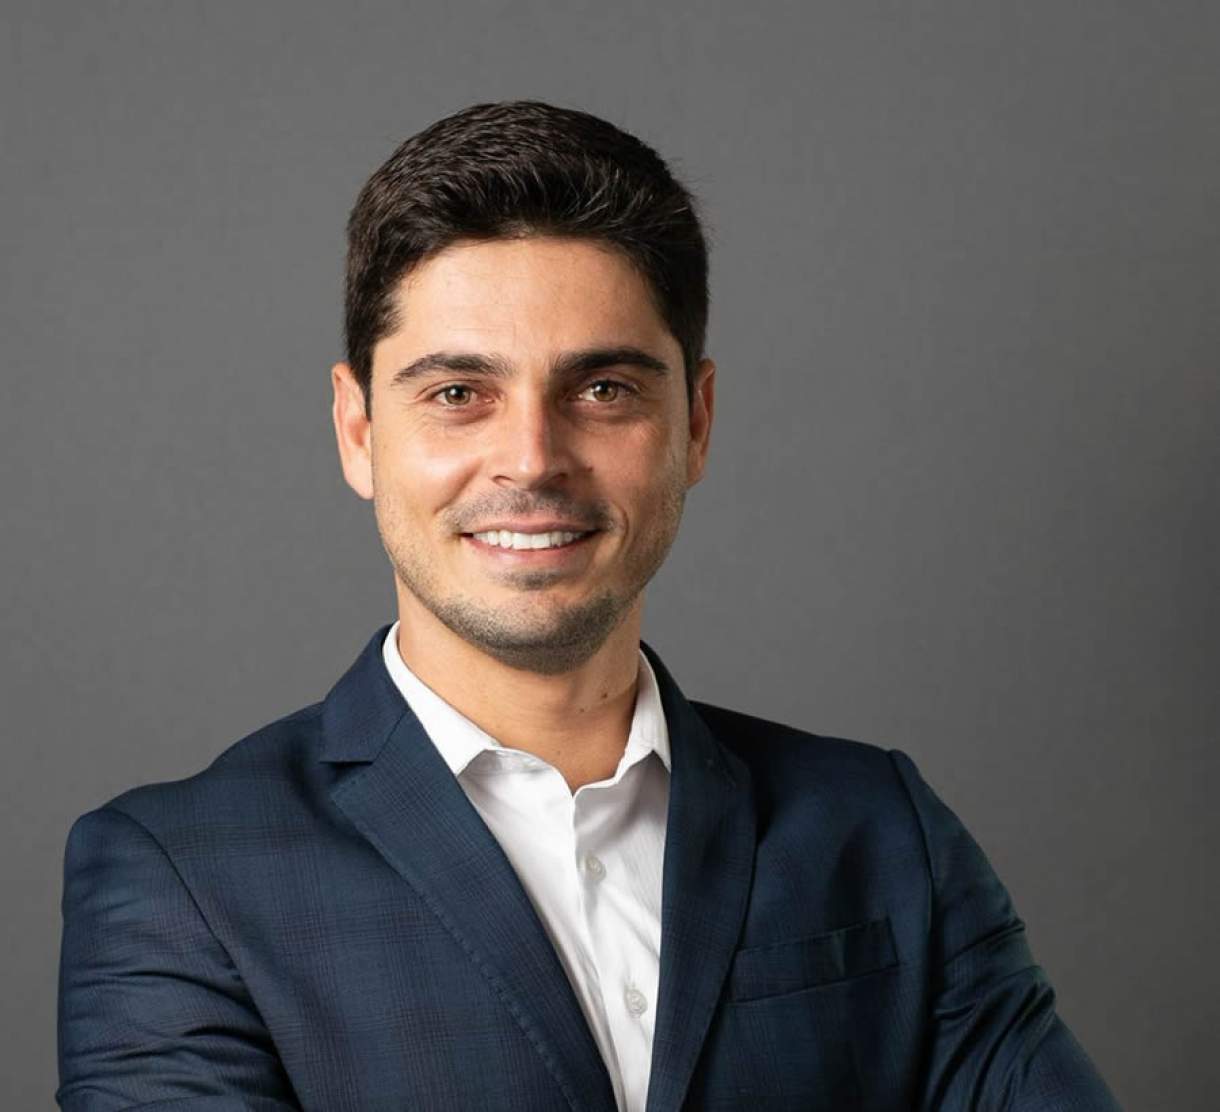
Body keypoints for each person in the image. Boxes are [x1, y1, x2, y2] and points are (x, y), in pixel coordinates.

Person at [56, 101, 1120, 1111]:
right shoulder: (180, 877)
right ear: (358, 430)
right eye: (457, 393)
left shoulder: (880, 830)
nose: (531, 458)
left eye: (603, 389)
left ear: (694, 423)